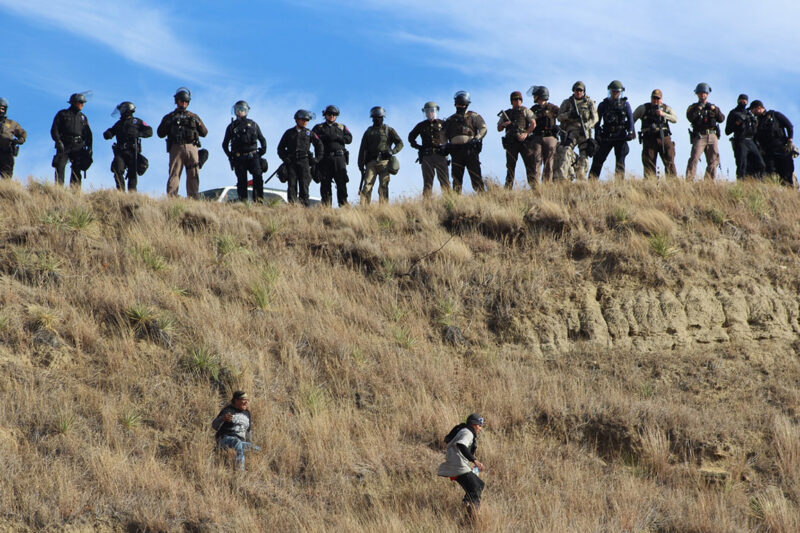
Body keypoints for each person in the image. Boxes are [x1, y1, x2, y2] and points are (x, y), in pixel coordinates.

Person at [157, 87, 208, 198]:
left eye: (186, 101)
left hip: (192, 147)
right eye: (182, 101)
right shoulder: (169, 117)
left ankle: (193, 199)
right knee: (174, 173)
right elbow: (160, 133)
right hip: (176, 147)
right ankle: (172, 198)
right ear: (177, 101)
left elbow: (204, 132)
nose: (184, 103)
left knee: (193, 173)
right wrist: (168, 123)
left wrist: (198, 123)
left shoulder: (194, 116)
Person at [438, 413, 486, 518]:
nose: (480, 428)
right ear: (473, 424)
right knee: (476, 487)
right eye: (479, 425)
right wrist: (475, 461)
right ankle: (474, 515)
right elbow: (461, 445)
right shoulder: (467, 432)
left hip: (457, 465)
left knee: (478, 485)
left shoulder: (463, 431)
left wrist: (469, 465)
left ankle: (467, 506)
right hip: (458, 466)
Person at [589, 80, 635, 180]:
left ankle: (619, 183)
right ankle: (592, 181)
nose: (615, 93)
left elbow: (630, 119)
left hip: (620, 135)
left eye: (617, 92)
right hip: (606, 135)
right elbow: (597, 121)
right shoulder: (603, 105)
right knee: (598, 158)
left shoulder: (625, 104)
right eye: (613, 91)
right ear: (610, 91)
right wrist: (597, 134)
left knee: (620, 160)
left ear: (620, 92)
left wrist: (630, 132)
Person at [222, 100, 267, 203]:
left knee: (258, 177)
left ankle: (258, 201)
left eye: (242, 109)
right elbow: (224, 144)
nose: (240, 111)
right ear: (235, 111)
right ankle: (243, 202)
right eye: (238, 109)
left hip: (253, 155)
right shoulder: (231, 127)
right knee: (241, 180)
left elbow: (262, 139)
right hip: (238, 157)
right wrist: (230, 156)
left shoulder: (253, 124)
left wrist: (262, 151)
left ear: (246, 111)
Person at [102, 101, 153, 192]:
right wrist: (108, 133)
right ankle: (121, 192)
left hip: (132, 152)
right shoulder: (119, 123)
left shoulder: (137, 121)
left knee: (132, 175)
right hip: (120, 152)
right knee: (117, 170)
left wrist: (138, 134)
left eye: (121, 110)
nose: (120, 112)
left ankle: (132, 194)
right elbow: (111, 131)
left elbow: (149, 131)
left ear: (126, 110)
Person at [357, 106, 403, 204]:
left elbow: (400, 143)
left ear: (383, 118)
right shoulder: (368, 131)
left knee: (383, 186)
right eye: (375, 117)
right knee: (367, 185)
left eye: (379, 117)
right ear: (372, 118)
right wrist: (360, 164)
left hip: (384, 162)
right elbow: (362, 149)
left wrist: (392, 151)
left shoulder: (389, 130)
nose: (377, 119)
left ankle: (383, 208)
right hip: (371, 163)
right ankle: (364, 209)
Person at [277, 109, 324, 206]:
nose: (305, 122)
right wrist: (285, 158)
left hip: (304, 161)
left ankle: (304, 207)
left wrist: (316, 159)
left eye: (307, 120)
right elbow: (280, 148)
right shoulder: (289, 133)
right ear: (297, 120)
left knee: (304, 185)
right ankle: (292, 206)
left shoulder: (309, 133)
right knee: (292, 185)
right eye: (303, 120)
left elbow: (319, 145)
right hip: (291, 162)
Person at [555, 81, 598, 181]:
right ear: (573, 91)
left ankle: (581, 179)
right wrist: (569, 114)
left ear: (583, 91)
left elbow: (595, 118)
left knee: (584, 155)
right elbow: (559, 117)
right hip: (571, 132)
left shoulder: (589, 102)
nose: (578, 92)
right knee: (565, 152)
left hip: (584, 132)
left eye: (580, 90)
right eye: (576, 90)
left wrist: (587, 125)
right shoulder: (567, 102)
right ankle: (563, 179)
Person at [445, 91, 487, 194]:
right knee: (456, 179)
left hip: (470, 150)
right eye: (459, 104)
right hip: (455, 151)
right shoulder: (450, 120)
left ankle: (482, 197)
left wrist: (477, 138)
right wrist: (445, 147)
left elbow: (483, 128)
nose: (461, 106)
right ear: (455, 104)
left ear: (467, 104)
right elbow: (443, 135)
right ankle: (456, 200)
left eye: (463, 104)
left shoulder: (474, 116)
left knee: (476, 176)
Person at [312, 105, 353, 207]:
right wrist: (324, 137)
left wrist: (338, 137)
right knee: (325, 182)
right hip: (324, 159)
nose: (332, 116)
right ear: (325, 115)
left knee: (341, 181)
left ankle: (343, 205)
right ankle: (326, 207)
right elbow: (313, 138)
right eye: (329, 114)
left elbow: (349, 139)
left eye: (334, 114)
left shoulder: (341, 127)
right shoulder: (318, 127)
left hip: (339, 158)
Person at [633, 89, 678, 180]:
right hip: (649, 138)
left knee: (669, 161)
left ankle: (672, 184)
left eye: (658, 98)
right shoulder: (643, 108)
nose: (656, 100)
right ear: (651, 98)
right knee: (649, 163)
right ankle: (650, 184)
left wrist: (663, 114)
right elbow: (632, 118)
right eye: (654, 98)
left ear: (661, 99)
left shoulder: (666, 108)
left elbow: (675, 119)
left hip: (664, 137)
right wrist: (632, 131)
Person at [408, 101, 450, 198]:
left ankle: (449, 201)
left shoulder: (443, 124)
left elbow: (451, 136)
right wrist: (419, 147)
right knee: (427, 182)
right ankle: (427, 203)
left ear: (436, 111)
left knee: (444, 180)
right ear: (425, 113)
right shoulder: (421, 125)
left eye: (432, 111)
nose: (430, 113)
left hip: (441, 155)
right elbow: (411, 137)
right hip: (427, 156)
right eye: (427, 111)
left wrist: (447, 148)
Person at [51, 92, 93, 188]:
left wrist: (90, 147)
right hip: (64, 145)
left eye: (83, 102)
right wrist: (58, 141)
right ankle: (58, 190)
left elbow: (89, 134)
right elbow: (54, 130)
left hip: (78, 146)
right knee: (60, 166)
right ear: (74, 102)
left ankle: (75, 191)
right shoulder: (62, 114)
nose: (82, 104)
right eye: (81, 102)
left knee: (77, 168)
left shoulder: (83, 118)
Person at [211, 391, 260, 471]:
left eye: (247, 400)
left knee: (257, 449)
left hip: (241, 442)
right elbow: (214, 425)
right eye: (244, 400)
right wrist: (222, 418)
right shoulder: (228, 410)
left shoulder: (247, 413)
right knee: (237, 442)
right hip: (225, 439)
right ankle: (240, 469)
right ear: (236, 400)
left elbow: (248, 431)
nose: (246, 402)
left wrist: (249, 443)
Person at [685, 83, 725, 181]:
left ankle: (709, 182)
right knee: (694, 157)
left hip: (712, 135)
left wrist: (714, 109)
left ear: (707, 94)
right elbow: (690, 118)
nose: (702, 95)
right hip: (700, 135)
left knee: (714, 160)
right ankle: (689, 180)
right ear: (697, 94)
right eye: (700, 93)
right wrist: (697, 109)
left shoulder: (713, 107)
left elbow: (721, 119)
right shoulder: (693, 107)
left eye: (704, 93)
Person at [751, 100, 795, 186]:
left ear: (758, 108)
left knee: (786, 174)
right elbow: (755, 138)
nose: (752, 112)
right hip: (768, 153)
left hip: (782, 148)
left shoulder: (775, 115)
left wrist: (790, 140)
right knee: (770, 175)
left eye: (753, 110)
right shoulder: (756, 123)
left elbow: (789, 126)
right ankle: (773, 192)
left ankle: (789, 192)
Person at [498, 91, 537, 189]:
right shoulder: (506, 113)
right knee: (510, 166)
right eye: (515, 99)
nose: (518, 101)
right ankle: (508, 188)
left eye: (520, 99)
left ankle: (534, 188)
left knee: (530, 164)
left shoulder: (525, 110)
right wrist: (504, 125)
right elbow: (499, 128)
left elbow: (533, 124)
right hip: (511, 142)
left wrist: (526, 133)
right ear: (512, 101)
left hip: (524, 142)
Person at [725, 94, 765, 180]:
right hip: (740, 140)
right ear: (738, 100)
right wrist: (737, 123)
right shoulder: (733, 113)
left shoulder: (749, 113)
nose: (743, 102)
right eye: (741, 100)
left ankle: (759, 182)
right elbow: (727, 131)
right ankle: (741, 182)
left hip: (751, 141)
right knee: (742, 164)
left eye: (745, 100)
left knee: (761, 164)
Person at [528, 86, 560, 183]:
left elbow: (562, 116)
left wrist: (558, 127)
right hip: (537, 137)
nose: (534, 97)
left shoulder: (552, 107)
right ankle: (535, 186)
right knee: (536, 161)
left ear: (541, 95)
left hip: (550, 137)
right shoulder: (533, 109)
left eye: (535, 95)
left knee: (549, 163)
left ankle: (547, 185)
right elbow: (527, 121)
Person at [0, 97, 27, 180]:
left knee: (7, 176)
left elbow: (22, 133)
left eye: (2, 109)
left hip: (6, 152)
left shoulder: (11, 123)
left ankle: (6, 188)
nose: (1, 110)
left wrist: (20, 140)